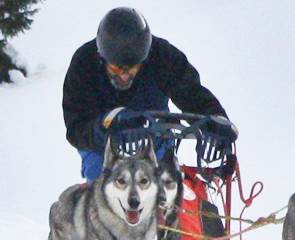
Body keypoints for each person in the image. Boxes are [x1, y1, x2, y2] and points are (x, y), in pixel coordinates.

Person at [63, 7, 237, 181]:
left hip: (155, 136)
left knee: (165, 186)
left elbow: (192, 95)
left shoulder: (163, 57)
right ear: (102, 58)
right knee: (102, 188)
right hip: (102, 146)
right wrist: (104, 130)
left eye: (133, 67)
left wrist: (216, 121)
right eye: (116, 68)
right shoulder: (84, 65)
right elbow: (76, 128)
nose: (124, 75)